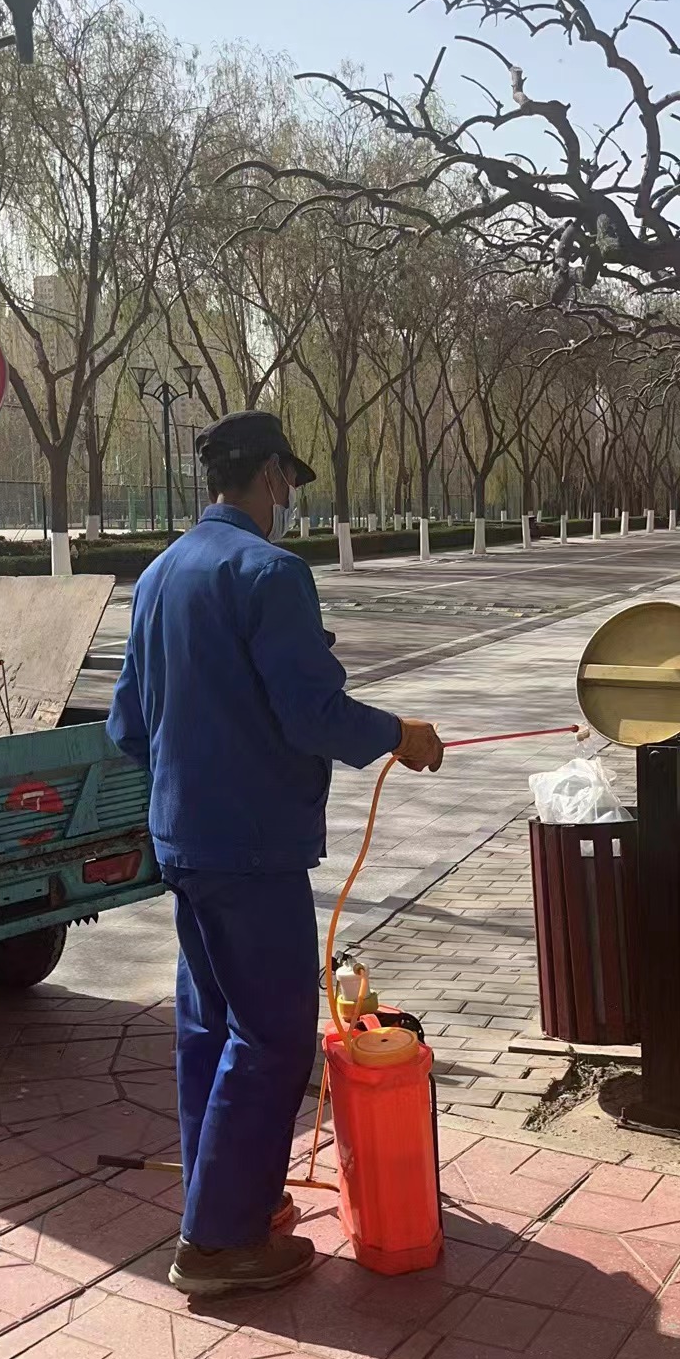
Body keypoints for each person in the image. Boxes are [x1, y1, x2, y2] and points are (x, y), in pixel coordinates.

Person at [107, 411, 443, 1297]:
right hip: (251, 849)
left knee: (207, 1029)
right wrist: (399, 734)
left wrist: (194, 766)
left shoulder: (159, 574)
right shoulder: (271, 572)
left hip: (183, 839)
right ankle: (218, 1245)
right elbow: (312, 712)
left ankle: (229, 1201)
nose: (287, 497)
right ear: (269, 478)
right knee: (273, 1036)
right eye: (288, 482)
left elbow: (127, 726)